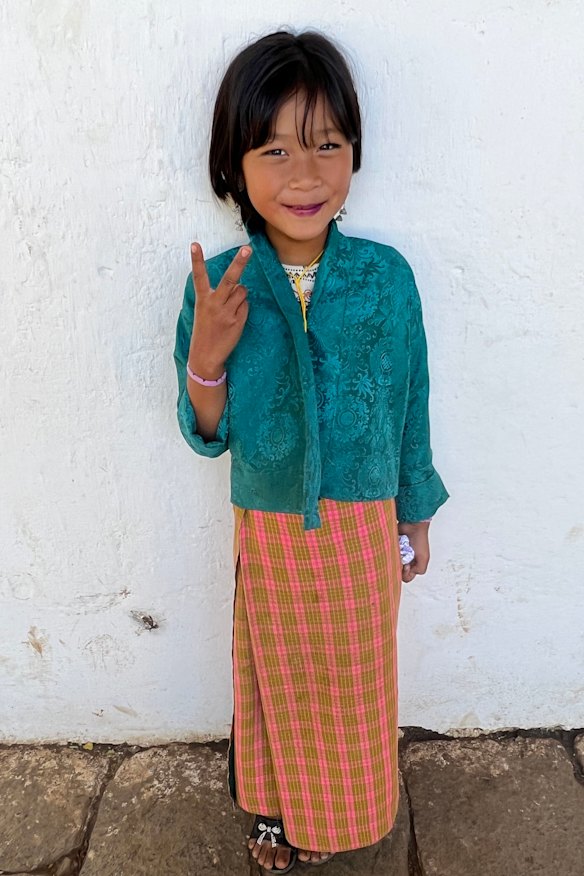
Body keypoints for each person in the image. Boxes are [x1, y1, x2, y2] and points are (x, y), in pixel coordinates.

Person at [173, 30, 448, 874]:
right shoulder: (221, 284)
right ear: (235, 166)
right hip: (269, 524)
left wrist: (415, 511)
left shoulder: (384, 278)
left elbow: (411, 404)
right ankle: (276, 812)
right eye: (276, 148)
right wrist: (208, 356)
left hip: (363, 527)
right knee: (277, 686)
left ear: (354, 152)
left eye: (328, 143)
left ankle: (340, 817)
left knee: (357, 690)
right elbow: (206, 432)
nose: (305, 173)